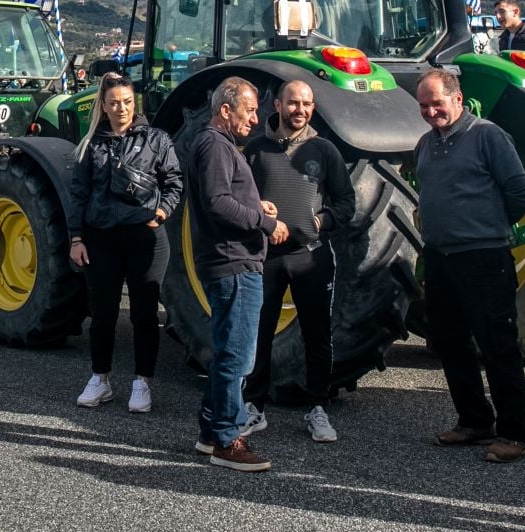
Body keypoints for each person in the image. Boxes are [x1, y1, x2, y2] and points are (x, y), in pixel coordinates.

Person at [413, 70, 525, 463]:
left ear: (458, 99)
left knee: (497, 344)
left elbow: (519, 192)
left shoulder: (488, 136)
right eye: (424, 106)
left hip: (483, 257)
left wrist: (488, 226)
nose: (432, 112)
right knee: (450, 342)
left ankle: (513, 433)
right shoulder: (425, 145)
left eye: (437, 104)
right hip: (440, 257)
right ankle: (474, 420)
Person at [66, 71, 184, 415]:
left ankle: (142, 382)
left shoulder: (156, 139)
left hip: (146, 238)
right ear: (102, 105)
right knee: (102, 313)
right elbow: (79, 194)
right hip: (101, 239)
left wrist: (161, 213)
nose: (122, 109)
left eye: (128, 102)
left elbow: (174, 181)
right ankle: (99, 379)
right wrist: (76, 238)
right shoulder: (90, 145)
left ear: (136, 103)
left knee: (144, 313)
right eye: (115, 103)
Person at [244, 79, 355, 443]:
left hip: (310, 257)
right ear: (277, 105)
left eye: (307, 104)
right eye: (294, 103)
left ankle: (317, 407)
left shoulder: (324, 150)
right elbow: (239, 197)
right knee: (258, 333)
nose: (301, 110)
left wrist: (317, 222)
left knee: (317, 334)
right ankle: (253, 406)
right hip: (265, 258)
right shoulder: (255, 150)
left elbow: (345, 204)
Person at [187, 76, 276, 471]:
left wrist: (258, 204)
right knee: (237, 358)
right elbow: (218, 203)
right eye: (251, 110)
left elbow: (225, 197)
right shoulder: (214, 145)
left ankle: (210, 433)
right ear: (226, 110)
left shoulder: (217, 146)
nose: (255, 119)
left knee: (229, 351)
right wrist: (264, 222)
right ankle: (227, 439)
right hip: (233, 263)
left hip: (233, 261)